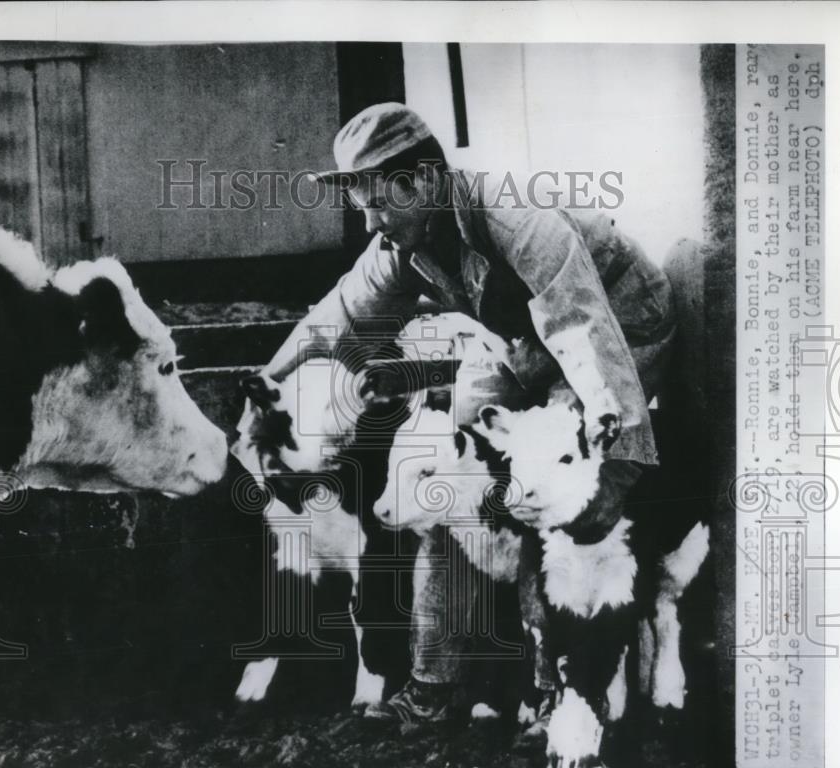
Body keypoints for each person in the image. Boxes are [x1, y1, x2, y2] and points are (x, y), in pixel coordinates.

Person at [245, 102, 676, 725]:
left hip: (620, 332)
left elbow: (583, 327)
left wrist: (610, 441)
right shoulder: (405, 239)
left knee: (563, 489)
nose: (369, 223)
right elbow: (335, 314)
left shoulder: (512, 213)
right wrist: (267, 382)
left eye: (375, 203)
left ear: (419, 182)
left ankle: (560, 693)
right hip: (529, 345)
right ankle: (434, 682)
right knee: (454, 468)